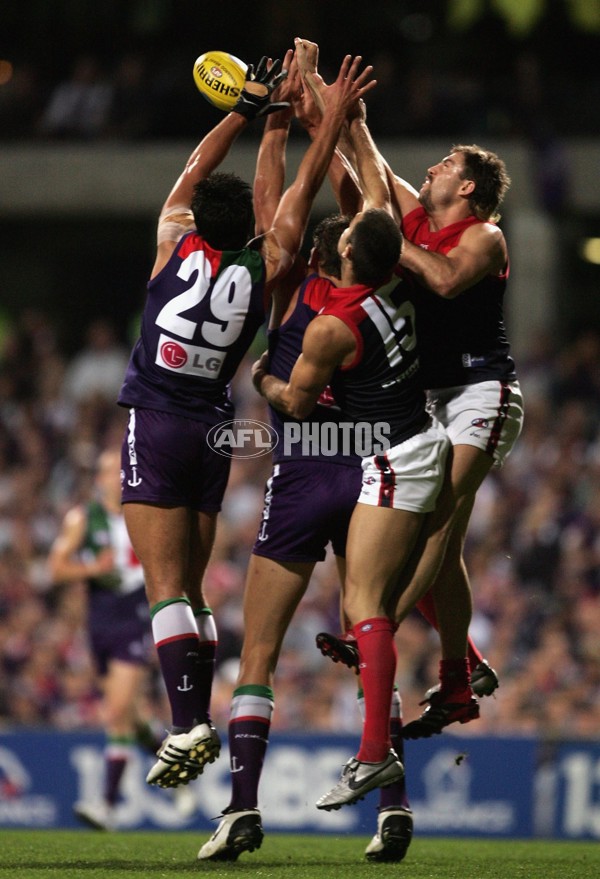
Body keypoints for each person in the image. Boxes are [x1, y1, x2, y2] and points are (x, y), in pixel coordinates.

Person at [116, 48, 376, 791]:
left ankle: (186, 722)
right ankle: (192, 717)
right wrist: (300, 124)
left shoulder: (174, 236)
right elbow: (291, 194)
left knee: (165, 586)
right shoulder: (269, 267)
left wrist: (248, 108)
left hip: (157, 420)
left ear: (199, 218)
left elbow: (192, 172)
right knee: (193, 591)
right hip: (213, 429)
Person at [252, 98, 451, 812]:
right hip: (404, 446)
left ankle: (373, 757)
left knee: (367, 609)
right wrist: (335, 118)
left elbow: (295, 403)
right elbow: (371, 198)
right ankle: (393, 788)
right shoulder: (393, 282)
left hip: (379, 456)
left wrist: (261, 376)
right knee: (388, 601)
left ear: (336, 253)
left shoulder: (326, 321)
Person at [318, 142, 523, 737]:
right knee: (435, 539)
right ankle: (460, 678)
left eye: (446, 167)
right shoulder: (416, 222)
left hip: (483, 389)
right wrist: (339, 122)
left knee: (434, 520)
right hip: (433, 396)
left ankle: (376, 633)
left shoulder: (484, 235)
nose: (432, 168)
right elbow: (370, 179)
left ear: (466, 189)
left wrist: (389, 241)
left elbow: (448, 280)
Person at [47, 448, 163, 830]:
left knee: (116, 713)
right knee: (129, 713)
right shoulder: (83, 518)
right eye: (104, 471)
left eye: (116, 470)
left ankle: (107, 805)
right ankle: (166, 758)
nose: (110, 477)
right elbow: (56, 568)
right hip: (100, 623)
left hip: (135, 617)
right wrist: (90, 567)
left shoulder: (145, 513)